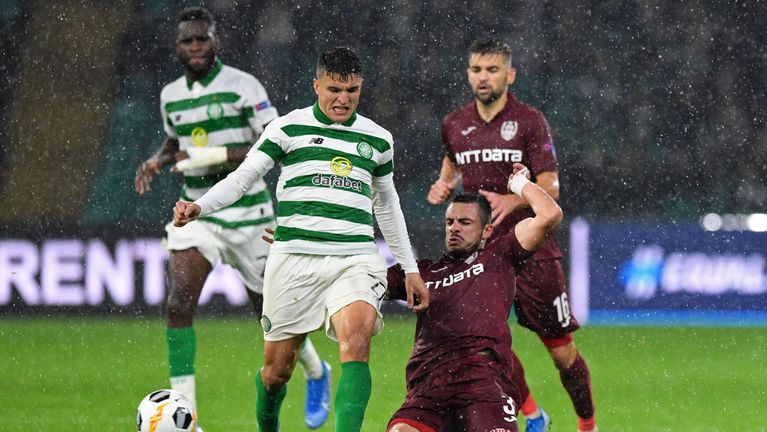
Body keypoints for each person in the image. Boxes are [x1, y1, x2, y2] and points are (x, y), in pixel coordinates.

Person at [172, 46, 429, 432]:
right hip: (294, 259)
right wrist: (201, 207)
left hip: (354, 258)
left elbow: (388, 206)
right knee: (277, 373)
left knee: (356, 343)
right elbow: (244, 177)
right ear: (316, 85)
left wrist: (409, 268)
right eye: (334, 90)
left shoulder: (377, 140)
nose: (343, 99)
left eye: (352, 91)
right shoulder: (287, 128)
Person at [133, 6, 331, 430]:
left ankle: (317, 371)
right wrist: (156, 161)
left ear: (215, 40)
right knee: (178, 303)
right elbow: (175, 142)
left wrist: (211, 155)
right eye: (187, 40)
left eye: (202, 38)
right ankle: (184, 415)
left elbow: (272, 139)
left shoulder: (243, 86)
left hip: (249, 214)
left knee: (272, 317)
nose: (195, 47)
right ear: (178, 46)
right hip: (196, 212)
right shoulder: (171, 95)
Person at [427, 37, 598, 432]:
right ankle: (535, 415)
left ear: (510, 74)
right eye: (476, 70)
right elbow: (452, 164)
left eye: (492, 70)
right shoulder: (454, 124)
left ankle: (588, 424)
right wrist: (443, 185)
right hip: (483, 253)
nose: (483, 77)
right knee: (481, 340)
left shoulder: (529, 121)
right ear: (468, 73)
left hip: (531, 246)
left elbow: (551, 187)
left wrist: (512, 200)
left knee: (561, 352)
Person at [387, 164, 563, 432]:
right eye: (450, 222)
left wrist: (519, 185)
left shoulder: (500, 254)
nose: (454, 228)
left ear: (487, 231)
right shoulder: (421, 272)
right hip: (428, 387)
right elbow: (362, 281)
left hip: (484, 383)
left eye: (465, 222)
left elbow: (549, 215)